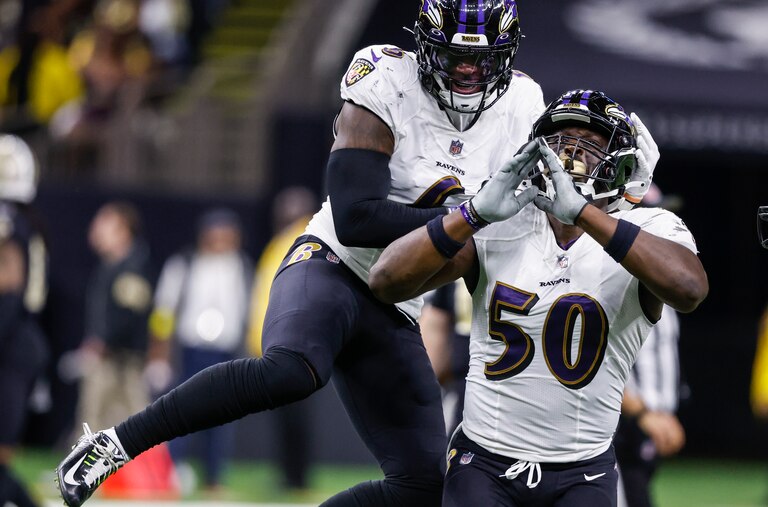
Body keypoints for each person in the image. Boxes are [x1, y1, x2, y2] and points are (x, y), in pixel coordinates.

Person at [57, 3, 578, 506]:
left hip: (400, 302)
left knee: (423, 487)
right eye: (453, 57)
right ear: (423, 46)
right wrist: (472, 216)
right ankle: (113, 445)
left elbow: (523, 234)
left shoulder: (523, 105)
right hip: (333, 265)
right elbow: (356, 219)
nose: (467, 73)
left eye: (481, 60)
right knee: (291, 369)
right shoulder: (386, 80)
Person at [369, 89, 708, 506]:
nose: (571, 155)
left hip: (583, 467)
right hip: (484, 461)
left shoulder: (648, 225)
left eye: (590, 145)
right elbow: (385, 281)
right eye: (561, 141)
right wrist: (470, 214)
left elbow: (689, 289)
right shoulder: (502, 220)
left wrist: (585, 215)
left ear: (620, 164)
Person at [147, 208, 252, 492]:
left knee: (222, 416)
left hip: (226, 351)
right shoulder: (184, 264)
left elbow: (247, 308)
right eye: (215, 236)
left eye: (227, 236)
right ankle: (169, 473)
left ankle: (214, 478)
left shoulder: (241, 267)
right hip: (190, 350)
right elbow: (164, 310)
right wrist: (159, 352)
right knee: (183, 410)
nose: (221, 242)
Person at [614, 186, 687, 507]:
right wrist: (643, 414)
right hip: (620, 426)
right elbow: (597, 362)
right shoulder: (612, 278)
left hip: (648, 422)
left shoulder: (660, 277)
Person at [247, 186, 317, 492]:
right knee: (286, 418)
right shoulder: (281, 239)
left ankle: (296, 477)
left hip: (293, 342)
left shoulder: (304, 238)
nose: (282, 212)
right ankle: (289, 475)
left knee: (295, 418)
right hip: (277, 343)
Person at [72, 201, 153, 432]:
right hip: (113, 357)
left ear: (123, 230)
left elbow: (130, 317)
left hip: (121, 362)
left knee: (131, 422)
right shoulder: (111, 266)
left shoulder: (133, 267)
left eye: (104, 223)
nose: (96, 229)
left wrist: (102, 342)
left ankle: (159, 469)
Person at [0, 134, 49, 507]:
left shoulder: (10, 223)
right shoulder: (24, 221)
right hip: (20, 337)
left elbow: (10, 285)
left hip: (11, 340)